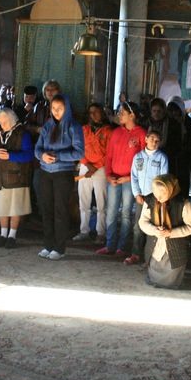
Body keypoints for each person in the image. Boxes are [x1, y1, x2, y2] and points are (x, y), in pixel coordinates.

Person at [34, 94, 84, 260]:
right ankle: (48, 245)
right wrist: (42, 155)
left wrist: (58, 156)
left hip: (63, 174)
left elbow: (79, 152)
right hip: (45, 172)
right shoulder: (48, 125)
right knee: (46, 209)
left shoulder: (74, 126)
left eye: (60, 109)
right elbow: (37, 148)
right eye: (53, 108)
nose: (56, 112)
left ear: (67, 109)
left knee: (60, 211)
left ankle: (59, 248)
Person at [96, 102, 146, 257]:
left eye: (122, 113)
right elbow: (109, 156)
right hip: (114, 179)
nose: (119, 115)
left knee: (126, 213)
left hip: (130, 181)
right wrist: (108, 175)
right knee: (111, 211)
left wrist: (129, 178)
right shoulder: (116, 132)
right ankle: (110, 244)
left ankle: (121, 247)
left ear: (132, 115)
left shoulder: (141, 134)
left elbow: (143, 161)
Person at [0, 107, 34, 249]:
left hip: (18, 177)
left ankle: (12, 235)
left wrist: (10, 156)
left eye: (5, 121)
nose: (2, 124)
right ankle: (3, 234)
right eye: (0, 122)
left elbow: (29, 155)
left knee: (15, 208)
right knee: (2, 207)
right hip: (1, 177)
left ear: (12, 119)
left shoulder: (23, 134)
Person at [138, 174, 191, 288]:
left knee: (171, 278)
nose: (158, 198)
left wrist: (171, 233)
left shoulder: (183, 203)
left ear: (170, 190)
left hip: (175, 248)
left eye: (162, 194)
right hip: (156, 244)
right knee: (153, 271)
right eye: (156, 193)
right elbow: (142, 222)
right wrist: (154, 230)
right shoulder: (150, 200)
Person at [128, 129, 169, 264]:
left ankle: (150, 257)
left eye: (157, 141)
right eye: (152, 139)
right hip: (141, 197)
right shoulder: (138, 157)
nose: (154, 142)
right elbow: (134, 177)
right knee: (138, 226)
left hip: (156, 198)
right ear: (146, 139)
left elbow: (164, 178)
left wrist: (159, 196)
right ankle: (135, 253)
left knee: (153, 228)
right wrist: (137, 194)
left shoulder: (162, 158)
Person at [75, 102, 113, 243]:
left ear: (102, 113)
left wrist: (95, 167)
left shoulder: (108, 131)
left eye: (96, 111)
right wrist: (86, 164)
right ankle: (84, 231)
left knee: (101, 202)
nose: (93, 115)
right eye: (91, 112)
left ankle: (101, 232)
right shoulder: (83, 129)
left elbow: (109, 153)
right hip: (85, 166)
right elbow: (78, 148)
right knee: (83, 200)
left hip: (101, 168)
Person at [166, 96, 191, 198]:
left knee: (182, 185)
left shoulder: (189, 122)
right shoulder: (167, 122)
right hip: (169, 157)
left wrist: (185, 152)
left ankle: (183, 202)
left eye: (176, 110)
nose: (174, 113)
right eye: (171, 110)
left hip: (184, 158)